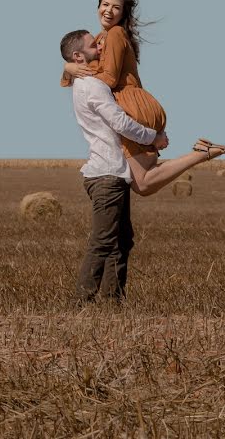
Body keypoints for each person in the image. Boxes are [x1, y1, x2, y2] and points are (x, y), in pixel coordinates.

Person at [61, 0, 225, 195]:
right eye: (105, 5)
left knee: (142, 184)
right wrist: (68, 67)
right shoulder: (101, 38)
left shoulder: (115, 34)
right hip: (135, 104)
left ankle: (202, 154)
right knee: (142, 181)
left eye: (116, 7)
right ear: (97, 6)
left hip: (132, 106)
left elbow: (109, 78)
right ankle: (201, 152)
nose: (109, 10)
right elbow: (81, 64)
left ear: (123, 13)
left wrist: (73, 68)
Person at [60, 29, 167, 302]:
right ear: (78, 56)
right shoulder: (93, 86)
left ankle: (112, 300)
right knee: (104, 240)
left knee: (121, 240)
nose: (99, 48)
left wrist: (69, 68)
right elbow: (120, 122)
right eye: (93, 46)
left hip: (114, 174)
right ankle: (81, 300)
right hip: (106, 174)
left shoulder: (85, 81)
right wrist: (152, 138)